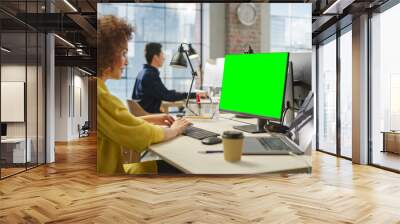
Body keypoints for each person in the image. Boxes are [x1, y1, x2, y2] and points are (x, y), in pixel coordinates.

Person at [97, 15, 191, 175]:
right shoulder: (101, 96)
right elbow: (142, 134)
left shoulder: (98, 90)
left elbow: (119, 123)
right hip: (114, 177)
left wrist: (154, 118)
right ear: (108, 55)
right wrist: (175, 130)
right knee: (182, 166)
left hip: (110, 170)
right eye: (123, 54)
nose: (126, 62)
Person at [132, 42, 206, 113]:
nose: (164, 58)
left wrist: (178, 94)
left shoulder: (142, 72)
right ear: (155, 57)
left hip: (145, 114)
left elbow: (163, 93)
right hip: (150, 116)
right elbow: (168, 96)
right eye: (162, 54)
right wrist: (194, 95)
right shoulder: (150, 75)